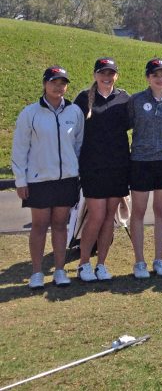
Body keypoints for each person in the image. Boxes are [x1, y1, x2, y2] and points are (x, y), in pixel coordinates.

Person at [12, 66, 84, 288]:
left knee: (61, 225)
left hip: (67, 179)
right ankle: (36, 273)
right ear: (45, 84)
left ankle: (60, 271)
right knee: (39, 225)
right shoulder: (29, 113)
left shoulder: (75, 112)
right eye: (53, 82)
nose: (58, 86)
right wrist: (20, 180)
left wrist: (77, 171)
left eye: (62, 82)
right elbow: (20, 149)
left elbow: (79, 145)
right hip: (39, 179)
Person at [74, 57, 131, 282]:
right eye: (102, 73)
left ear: (116, 75)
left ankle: (102, 265)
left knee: (110, 218)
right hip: (93, 167)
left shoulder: (124, 98)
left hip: (118, 166)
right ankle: (83, 264)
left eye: (111, 73)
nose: (107, 77)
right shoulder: (82, 99)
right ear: (95, 74)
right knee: (96, 216)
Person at [127, 58, 162, 278]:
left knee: (161, 211)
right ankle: (139, 262)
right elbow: (127, 125)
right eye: (155, 75)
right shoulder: (136, 100)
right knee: (138, 212)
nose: (160, 79)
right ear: (147, 78)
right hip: (140, 161)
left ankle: (159, 259)